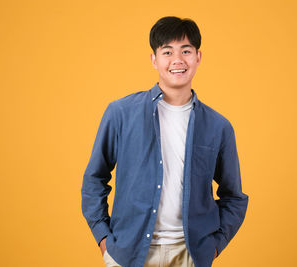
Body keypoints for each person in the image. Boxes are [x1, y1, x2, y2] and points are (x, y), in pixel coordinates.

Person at [81, 16, 248, 267]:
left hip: (190, 255)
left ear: (198, 57)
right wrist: (105, 241)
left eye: (186, 51)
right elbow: (94, 179)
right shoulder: (121, 113)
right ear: (154, 59)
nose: (177, 60)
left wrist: (212, 248)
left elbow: (234, 196)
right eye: (167, 51)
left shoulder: (218, 126)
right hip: (129, 253)